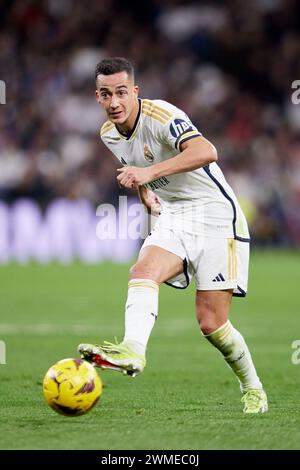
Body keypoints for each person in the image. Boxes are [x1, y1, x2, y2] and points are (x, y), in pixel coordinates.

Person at [78, 57, 268, 414]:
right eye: (106, 95)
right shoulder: (108, 133)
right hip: (175, 215)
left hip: (214, 214)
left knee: (211, 323)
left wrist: (148, 174)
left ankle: (253, 387)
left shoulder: (162, 114)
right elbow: (137, 168)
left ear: (135, 92)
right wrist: (145, 192)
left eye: (121, 92)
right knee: (141, 271)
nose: (114, 102)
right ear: (97, 97)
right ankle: (133, 350)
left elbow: (206, 151)